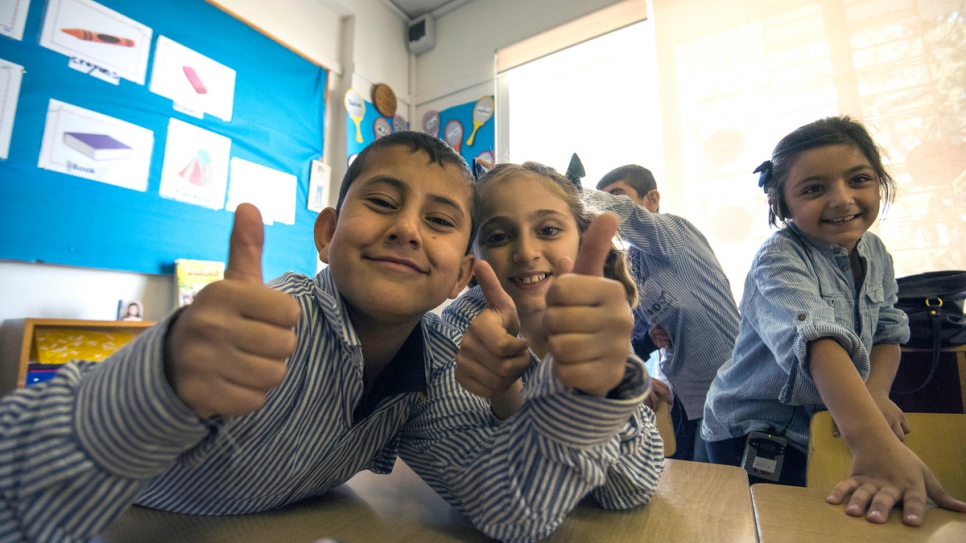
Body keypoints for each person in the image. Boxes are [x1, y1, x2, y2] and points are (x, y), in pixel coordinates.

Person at [0, 132, 665, 543]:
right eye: (381, 202)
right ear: (325, 233)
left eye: (438, 219)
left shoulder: (433, 372)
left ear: (461, 271)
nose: (407, 228)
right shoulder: (266, 325)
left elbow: (512, 508)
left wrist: (584, 389)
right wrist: (161, 383)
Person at [701, 116, 966, 525]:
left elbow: (888, 330)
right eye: (814, 189)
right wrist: (872, 442)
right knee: (779, 527)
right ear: (781, 202)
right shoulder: (780, 257)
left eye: (858, 179)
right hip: (758, 432)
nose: (842, 199)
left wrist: (876, 395)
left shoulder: (875, 252)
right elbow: (818, 342)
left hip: (831, 423)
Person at [441, 160, 664, 504]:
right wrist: (506, 397)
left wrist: (597, 392)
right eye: (498, 236)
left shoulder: (598, 326)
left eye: (548, 231)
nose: (526, 253)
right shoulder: (458, 338)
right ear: (472, 256)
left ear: (581, 237)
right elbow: (505, 499)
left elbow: (630, 489)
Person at [581, 164, 740, 462]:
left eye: (617, 195)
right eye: (604, 198)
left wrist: (560, 192)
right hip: (679, 401)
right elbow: (629, 340)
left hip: (730, 393)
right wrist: (647, 346)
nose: (608, 206)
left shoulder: (675, 231)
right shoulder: (632, 265)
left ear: (651, 199)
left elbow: (623, 214)